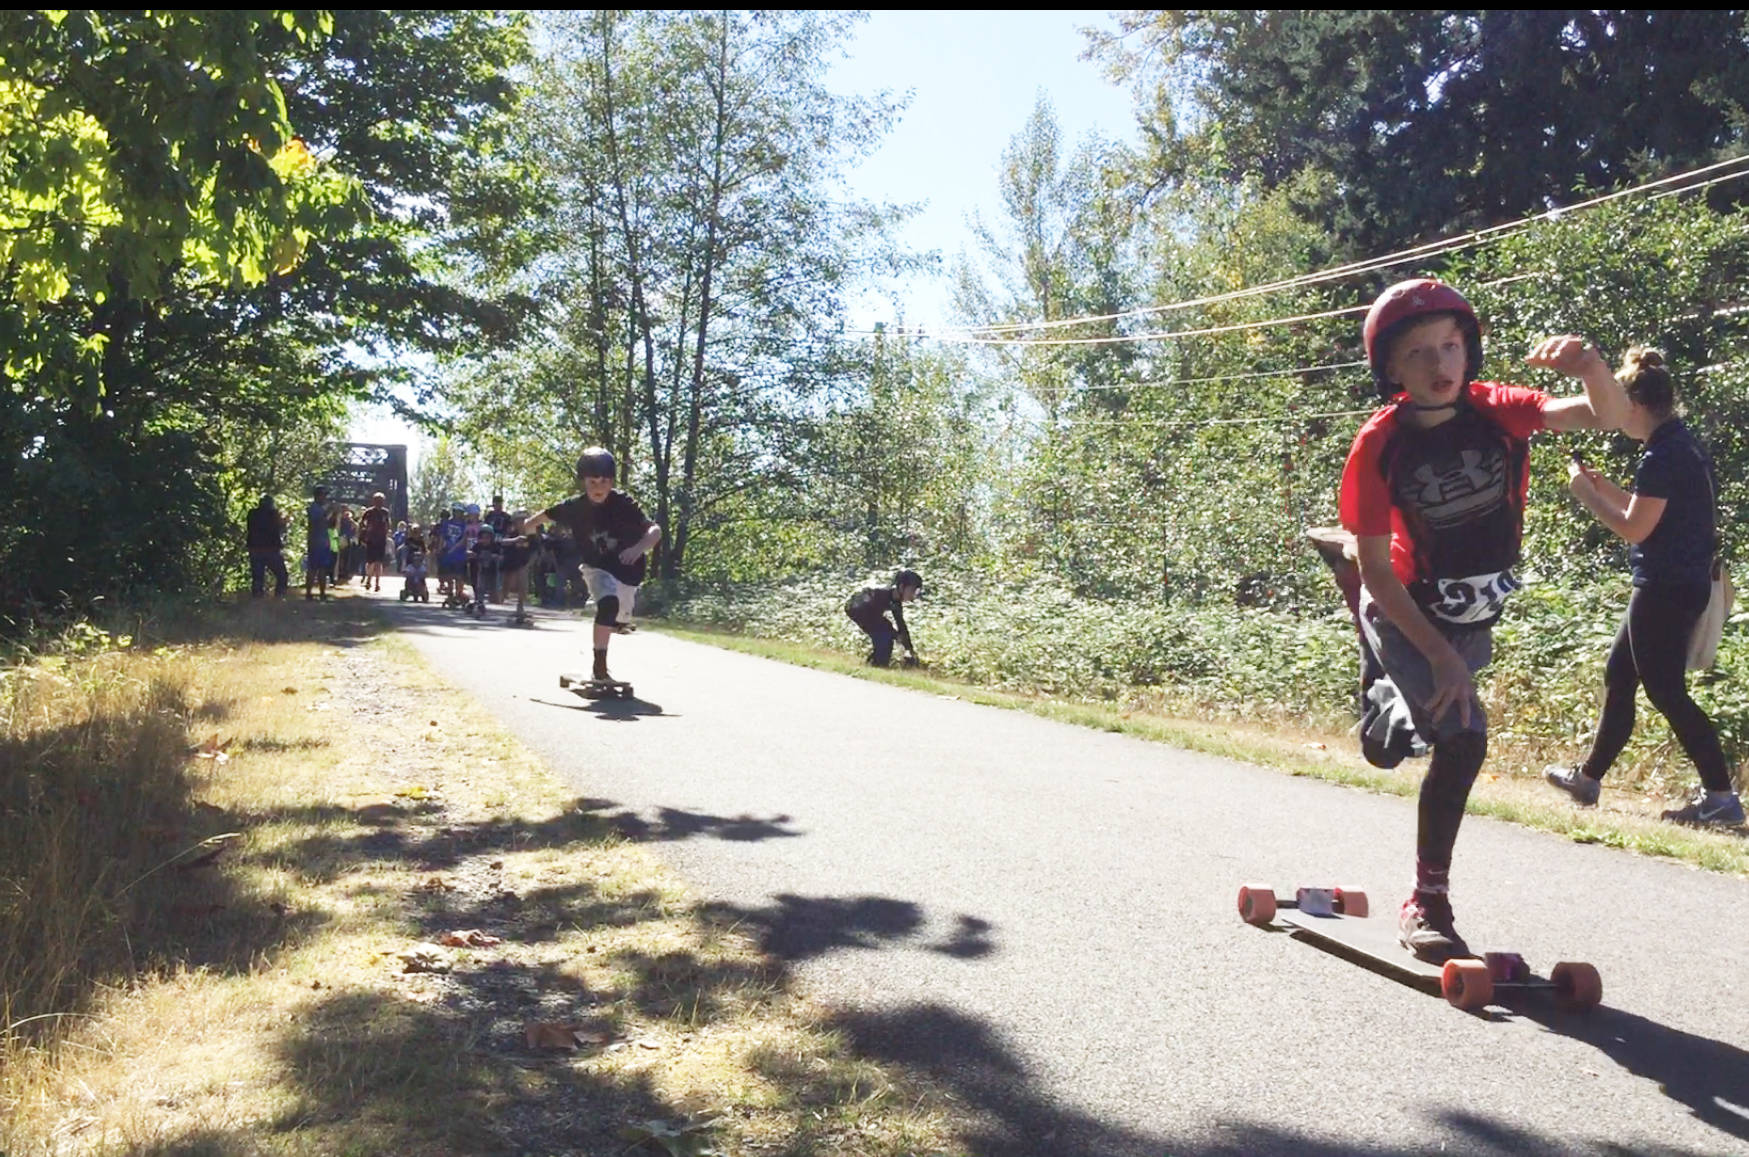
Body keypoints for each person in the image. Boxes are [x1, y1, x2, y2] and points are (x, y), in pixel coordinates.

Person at [1338, 278, 1629, 963]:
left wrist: (1590, 367)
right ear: (1390, 371)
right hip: (1402, 611)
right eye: (1417, 354)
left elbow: (1604, 418)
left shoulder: (1497, 409)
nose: (1439, 364)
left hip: (1471, 621)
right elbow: (1376, 570)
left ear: (1467, 349)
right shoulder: (1378, 445)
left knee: (1399, 744)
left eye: (1449, 345)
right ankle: (1426, 901)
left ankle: (1383, 699)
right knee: (1463, 739)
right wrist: (1436, 655)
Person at [1545, 348, 1744, 827]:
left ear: (1635, 404)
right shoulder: (1679, 443)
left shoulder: (1661, 454)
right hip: (1679, 581)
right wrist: (1605, 486)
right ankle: (1589, 778)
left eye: (1616, 403)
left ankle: (1721, 796)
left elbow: (1637, 528)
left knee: (1667, 693)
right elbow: (1649, 508)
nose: (1610, 415)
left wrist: (1587, 496)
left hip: (1665, 587)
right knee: (1620, 675)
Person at [522, 447, 661, 682]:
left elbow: (655, 530)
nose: (598, 488)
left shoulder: (623, 503)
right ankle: (600, 666)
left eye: (604, 481)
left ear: (612, 482)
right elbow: (532, 522)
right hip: (596, 567)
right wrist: (531, 537)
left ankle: (616, 621)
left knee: (620, 618)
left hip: (628, 572)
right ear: (583, 482)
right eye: (593, 482)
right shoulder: (573, 507)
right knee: (607, 605)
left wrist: (637, 549)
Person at [845, 570, 923, 667]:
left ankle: (875, 663)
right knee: (885, 634)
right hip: (857, 608)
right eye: (912, 590)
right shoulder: (880, 594)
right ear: (902, 587)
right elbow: (870, 614)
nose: (913, 595)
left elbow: (901, 626)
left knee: (886, 634)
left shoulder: (895, 601)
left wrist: (909, 649)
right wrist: (895, 635)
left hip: (868, 612)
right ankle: (877, 664)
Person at [246, 494, 289, 598]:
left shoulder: (252, 513)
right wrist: (285, 521)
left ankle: (257, 598)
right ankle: (279, 595)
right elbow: (281, 526)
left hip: (255, 548)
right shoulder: (273, 514)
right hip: (270, 549)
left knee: (257, 576)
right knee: (281, 574)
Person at [304, 486, 333, 601]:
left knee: (322, 568)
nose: (325, 498)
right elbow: (318, 521)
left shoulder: (319, 508)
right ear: (318, 496)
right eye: (324, 495)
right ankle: (310, 593)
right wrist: (329, 511)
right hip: (316, 542)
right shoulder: (314, 508)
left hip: (321, 541)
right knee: (314, 568)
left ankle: (321, 593)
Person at [359, 492, 392, 593]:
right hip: (371, 540)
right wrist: (363, 535)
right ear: (374, 501)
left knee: (378, 562)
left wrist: (386, 534)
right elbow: (362, 524)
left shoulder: (385, 512)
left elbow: (388, 524)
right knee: (370, 562)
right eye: (377, 501)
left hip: (381, 540)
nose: (379, 503)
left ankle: (377, 583)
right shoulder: (369, 512)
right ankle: (369, 579)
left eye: (381, 501)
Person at [434, 503, 468, 599]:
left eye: (459, 512)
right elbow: (442, 537)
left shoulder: (464, 525)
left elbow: (465, 538)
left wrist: (456, 547)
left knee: (459, 574)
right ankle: (450, 591)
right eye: (455, 511)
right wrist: (439, 549)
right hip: (447, 552)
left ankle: (459, 593)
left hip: (459, 553)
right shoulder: (447, 523)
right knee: (448, 574)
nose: (457, 514)